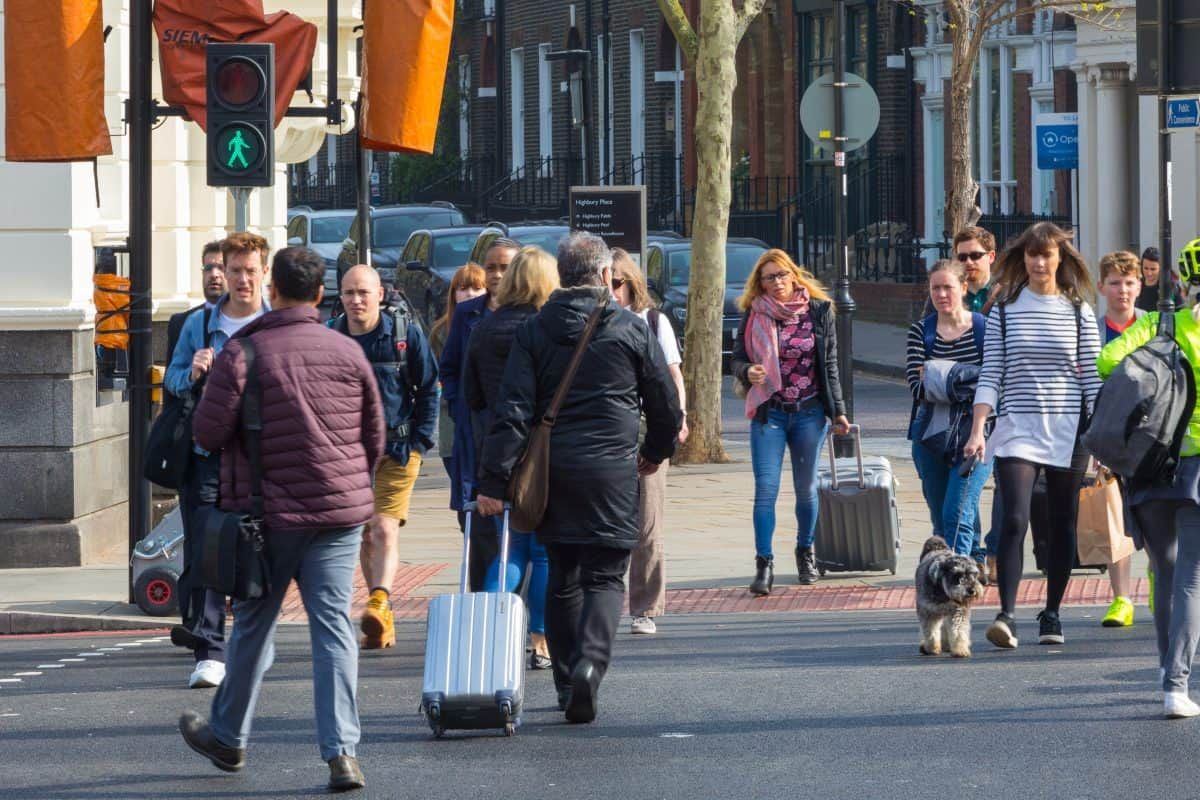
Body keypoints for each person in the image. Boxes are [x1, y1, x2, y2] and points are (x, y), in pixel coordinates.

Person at [179, 246, 384, 791]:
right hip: (338, 516)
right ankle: (342, 753)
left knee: (251, 626)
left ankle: (228, 738)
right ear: (320, 295)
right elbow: (375, 437)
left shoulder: (244, 353)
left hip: (268, 516)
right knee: (334, 630)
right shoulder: (348, 352)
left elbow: (206, 433)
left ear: (273, 290)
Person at [474, 231, 681, 724]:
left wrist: (492, 480)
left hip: (553, 473)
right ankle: (592, 665)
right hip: (613, 471)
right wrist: (654, 451)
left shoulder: (536, 330)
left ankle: (567, 681)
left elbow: (513, 411)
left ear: (562, 275)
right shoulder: (631, 329)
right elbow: (665, 405)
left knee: (563, 576)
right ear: (607, 275)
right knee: (607, 577)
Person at [962, 222, 1101, 650]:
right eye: (1032, 255)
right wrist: (977, 430)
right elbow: (992, 373)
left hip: (1067, 430)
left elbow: (1093, 380)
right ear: (1022, 259)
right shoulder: (1005, 309)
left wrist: (1100, 442)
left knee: (1061, 525)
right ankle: (1006, 614)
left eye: (1047, 255)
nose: (1039, 262)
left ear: (1061, 260)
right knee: (1014, 520)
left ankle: (1052, 612)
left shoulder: (1079, 311)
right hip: (1017, 427)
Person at [164, 232, 270, 689]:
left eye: (251, 271)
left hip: (260, 457)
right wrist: (192, 371)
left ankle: (250, 641)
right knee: (207, 546)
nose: (242, 279)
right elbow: (170, 379)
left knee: (255, 549)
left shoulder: (275, 322)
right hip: (207, 452)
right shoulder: (201, 324)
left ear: (264, 273)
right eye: (235, 271)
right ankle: (210, 649)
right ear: (221, 273)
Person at [1097, 264, 1200, 718]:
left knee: (1163, 567)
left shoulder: (1160, 324)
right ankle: (1177, 682)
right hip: (1197, 464)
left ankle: (1166, 673)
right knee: (1191, 579)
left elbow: (1106, 361)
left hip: (1152, 462)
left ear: (1182, 286)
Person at [731, 249, 851, 596]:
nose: (778, 282)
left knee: (806, 488)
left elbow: (830, 365)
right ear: (760, 284)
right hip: (770, 411)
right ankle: (764, 563)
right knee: (766, 489)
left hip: (810, 413)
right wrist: (746, 370)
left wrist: (838, 410)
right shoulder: (753, 314)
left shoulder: (819, 311)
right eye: (770, 277)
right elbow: (737, 358)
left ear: (794, 275)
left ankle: (806, 552)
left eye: (783, 274)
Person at [330, 265, 438, 650]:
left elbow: (428, 388)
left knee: (383, 528)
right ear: (339, 297)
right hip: (347, 455)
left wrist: (420, 444)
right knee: (362, 534)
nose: (356, 300)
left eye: (363, 292)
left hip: (397, 450)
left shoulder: (404, 334)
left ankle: (378, 600)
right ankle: (384, 616)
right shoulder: (332, 337)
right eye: (349, 293)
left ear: (380, 293)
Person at [463, 246, 558, 669]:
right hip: (544, 453)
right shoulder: (547, 330)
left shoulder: (484, 328)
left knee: (508, 549)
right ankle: (539, 637)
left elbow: (470, 396)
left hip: (497, 448)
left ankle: (490, 632)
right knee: (541, 552)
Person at [610, 248, 689, 635]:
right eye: (604, 284)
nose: (611, 292)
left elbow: (673, 376)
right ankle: (603, 603)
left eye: (617, 284)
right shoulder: (593, 322)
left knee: (647, 525)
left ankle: (644, 608)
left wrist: (680, 419)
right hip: (606, 435)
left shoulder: (654, 321)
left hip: (646, 433)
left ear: (632, 285)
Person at [439, 239, 520, 591]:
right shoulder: (468, 314)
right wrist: (461, 408)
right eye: (491, 267)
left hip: (519, 436)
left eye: (505, 267)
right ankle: (482, 609)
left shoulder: (535, 313)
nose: (497, 274)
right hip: (475, 434)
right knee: (479, 529)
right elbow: (451, 368)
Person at [906, 260, 991, 562]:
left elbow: (993, 382)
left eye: (948, 287)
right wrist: (970, 376)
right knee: (941, 520)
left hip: (976, 434)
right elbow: (917, 388)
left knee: (957, 512)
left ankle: (960, 577)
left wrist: (936, 374)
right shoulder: (921, 332)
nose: (941, 294)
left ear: (963, 288)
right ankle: (960, 570)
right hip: (929, 435)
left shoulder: (984, 329)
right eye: (935, 288)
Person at [1093, 251, 1148, 628]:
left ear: (1140, 286)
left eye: (1129, 282)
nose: (1122, 290)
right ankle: (1122, 598)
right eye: (1114, 283)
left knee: (1157, 515)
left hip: (1152, 437)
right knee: (1116, 519)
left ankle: (1160, 579)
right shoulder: (1094, 330)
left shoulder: (1153, 326)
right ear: (1101, 288)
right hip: (1112, 437)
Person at [429, 264, 486, 494]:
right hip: (452, 428)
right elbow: (437, 379)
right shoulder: (441, 332)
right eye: (462, 288)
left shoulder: (492, 325)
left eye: (476, 288)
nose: (469, 294)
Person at [166, 240, 225, 365]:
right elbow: (170, 382)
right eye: (208, 268)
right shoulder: (180, 323)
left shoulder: (251, 322)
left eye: (221, 268)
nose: (214, 274)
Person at [922, 226, 999, 317]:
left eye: (975, 255)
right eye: (962, 257)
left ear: (991, 256)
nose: (968, 262)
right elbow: (926, 328)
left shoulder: (1005, 291)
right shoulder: (944, 292)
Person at [1136, 246, 1183, 312]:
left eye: (1153, 269)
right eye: (1145, 268)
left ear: (1161, 268)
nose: (1149, 273)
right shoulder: (1136, 284)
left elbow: (1180, 310)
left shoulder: (1170, 286)